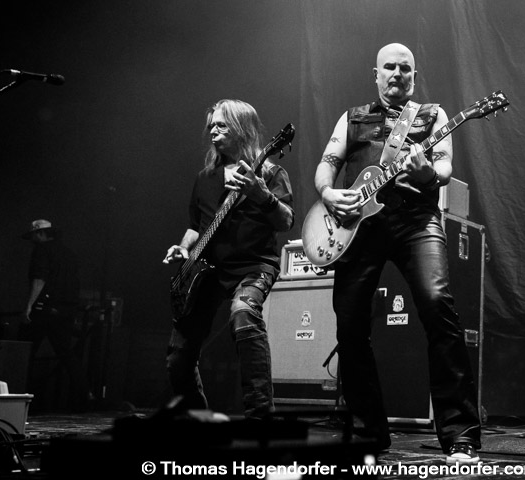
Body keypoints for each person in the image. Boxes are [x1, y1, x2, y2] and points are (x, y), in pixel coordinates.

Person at [312, 43, 481, 463]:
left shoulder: (432, 116)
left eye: (405, 68)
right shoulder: (353, 117)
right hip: (359, 226)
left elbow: (444, 166)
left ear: (414, 76)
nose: (397, 74)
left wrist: (429, 173)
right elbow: (327, 163)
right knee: (350, 323)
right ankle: (368, 432)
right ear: (376, 73)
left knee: (438, 305)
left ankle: (459, 434)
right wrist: (328, 193)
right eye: (389, 67)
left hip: (416, 222)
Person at [164, 99, 294, 418]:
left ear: (241, 128)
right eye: (211, 125)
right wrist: (183, 248)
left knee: (244, 313)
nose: (212, 130)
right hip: (205, 270)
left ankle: (259, 416)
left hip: (253, 266)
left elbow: (286, 221)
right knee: (178, 355)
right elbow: (196, 225)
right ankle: (197, 419)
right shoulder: (205, 177)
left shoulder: (270, 173)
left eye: (221, 125)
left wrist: (261, 194)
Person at [20, 219, 91, 411]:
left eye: (34, 235)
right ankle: (86, 396)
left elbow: (39, 278)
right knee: (66, 353)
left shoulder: (41, 251)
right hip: (65, 308)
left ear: (40, 234)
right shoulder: (69, 253)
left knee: (23, 351)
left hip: (45, 307)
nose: (33, 239)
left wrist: (29, 305)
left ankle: (15, 396)